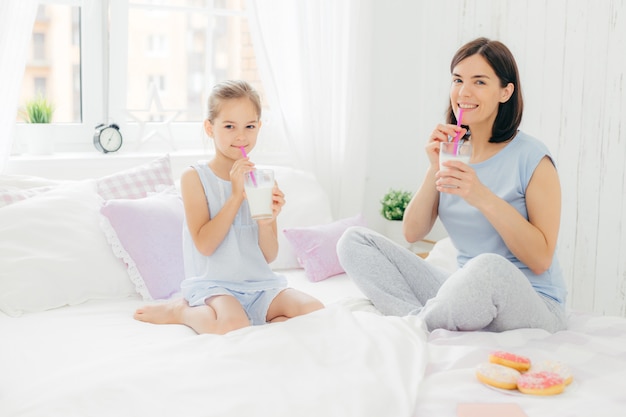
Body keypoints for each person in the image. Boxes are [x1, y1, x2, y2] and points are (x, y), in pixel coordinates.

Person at [337, 37, 567, 333]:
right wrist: (435, 167)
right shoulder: (453, 151)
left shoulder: (533, 159)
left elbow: (540, 260)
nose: (464, 92)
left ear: (505, 92)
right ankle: (421, 321)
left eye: (480, 82)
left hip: (533, 301)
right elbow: (412, 232)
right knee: (354, 241)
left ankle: (414, 328)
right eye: (458, 80)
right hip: (465, 291)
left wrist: (481, 195)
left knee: (487, 267)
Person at [134, 80, 324, 334]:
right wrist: (235, 196)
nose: (241, 136)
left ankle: (263, 321)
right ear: (209, 128)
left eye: (249, 126)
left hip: (260, 284)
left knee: (316, 312)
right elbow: (205, 245)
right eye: (229, 126)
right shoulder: (194, 178)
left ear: (259, 127)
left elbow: (268, 255)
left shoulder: (264, 181)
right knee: (232, 325)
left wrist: (267, 222)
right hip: (215, 286)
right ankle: (181, 311)